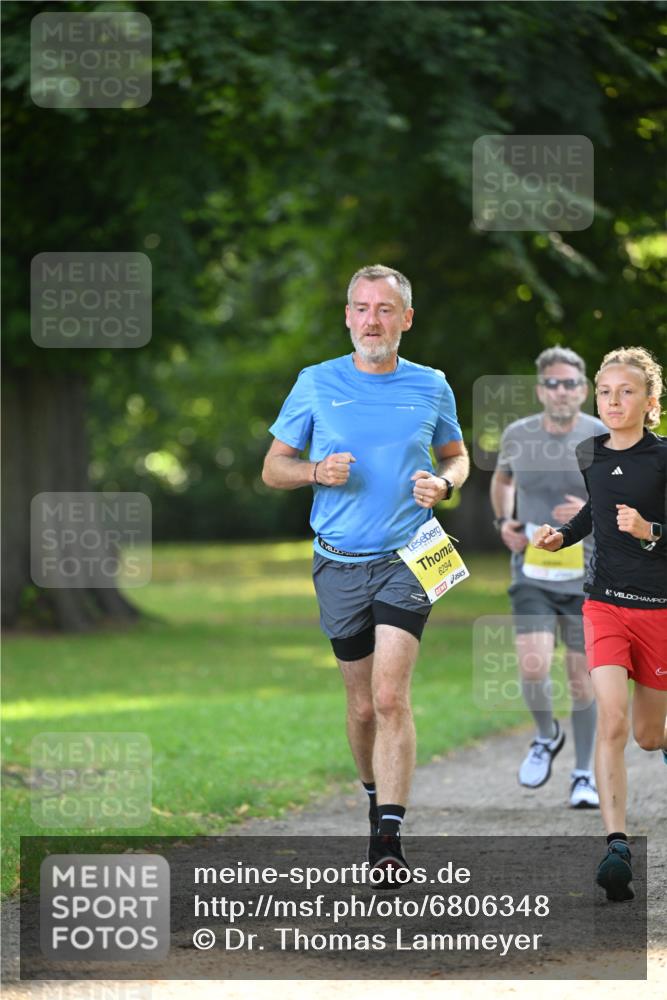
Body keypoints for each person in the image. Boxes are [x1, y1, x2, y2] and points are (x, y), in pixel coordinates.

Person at [262, 264, 469, 879]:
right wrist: (314, 472)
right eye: (360, 308)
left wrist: (445, 484)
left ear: (406, 318)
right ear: (348, 315)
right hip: (339, 562)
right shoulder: (316, 382)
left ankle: (390, 838)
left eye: (384, 309)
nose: (371, 320)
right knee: (360, 708)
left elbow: (458, 458)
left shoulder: (432, 385)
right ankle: (375, 798)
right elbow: (274, 467)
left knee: (389, 695)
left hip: (413, 554)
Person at [532, 346, 666, 901]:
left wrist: (649, 529)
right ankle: (617, 847)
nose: (613, 400)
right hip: (604, 603)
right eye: (605, 391)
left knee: (648, 734)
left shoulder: (664, 458)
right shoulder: (590, 451)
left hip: (658, 609)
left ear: (650, 401)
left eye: (626, 391)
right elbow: (593, 510)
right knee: (610, 719)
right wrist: (561, 535)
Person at [490, 347, 605, 807]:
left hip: (588, 577)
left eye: (570, 384)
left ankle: (583, 776)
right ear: (540, 390)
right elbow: (502, 481)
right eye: (552, 384)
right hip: (533, 572)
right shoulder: (518, 434)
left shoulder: (601, 435)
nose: (561, 391)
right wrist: (505, 523)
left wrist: (587, 513)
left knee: (582, 679)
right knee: (533, 665)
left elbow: (623, 498)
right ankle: (545, 735)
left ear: (583, 390)